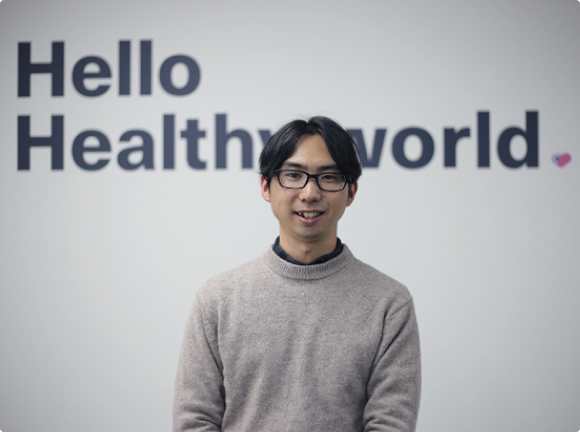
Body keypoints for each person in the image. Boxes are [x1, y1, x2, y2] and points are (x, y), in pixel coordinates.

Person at [173, 116, 421, 432]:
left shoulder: (389, 304)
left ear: (351, 192)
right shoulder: (217, 299)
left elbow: (390, 425)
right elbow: (194, 421)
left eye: (329, 177)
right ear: (266, 186)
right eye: (293, 175)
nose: (310, 193)